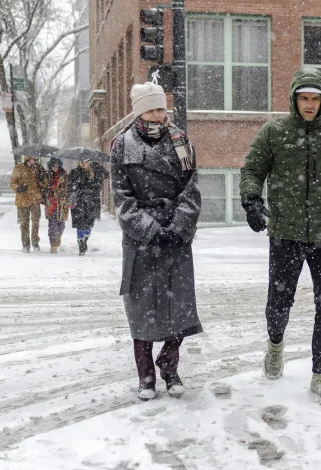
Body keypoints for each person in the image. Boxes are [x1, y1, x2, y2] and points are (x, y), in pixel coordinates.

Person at [239, 67, 321, 406]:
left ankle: (320, 375)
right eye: (304, 98)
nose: (309, 105)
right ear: (294, 98)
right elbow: (252, 169)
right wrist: (251, 200)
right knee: (279, 302)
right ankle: (276, 346)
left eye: (315, 99)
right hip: (285, 232)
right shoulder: (274, 132)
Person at [110, 82, 202, 401]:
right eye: (150, 109)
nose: (157, 114)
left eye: (161, 108)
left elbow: (192, 189)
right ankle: (146, 377)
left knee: (179, 307)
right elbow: (121, 198)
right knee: (142, 311)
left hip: (176, 235)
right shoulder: (122, 145)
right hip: (141, 240)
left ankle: (170, 366)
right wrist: (149, 229)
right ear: (138, 111)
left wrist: (177, 227)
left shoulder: (181, 141)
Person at [69, 159, 105, 255]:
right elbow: (69, 186)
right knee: (80, 224)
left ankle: (85, 240)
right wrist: (75, 193)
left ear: (89, 162)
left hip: (91, 203)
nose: (83, 163)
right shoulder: (74, 172)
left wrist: (99, 169)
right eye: (81, 161)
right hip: (78, 203)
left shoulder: (95, 173)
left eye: (85, 161)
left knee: (89, 224)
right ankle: (81, 245)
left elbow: (99, 185)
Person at [9, 155, 45, 252]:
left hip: (35, 199)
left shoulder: (39, 168)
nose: (36, 160)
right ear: (29, 158)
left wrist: (42, 179)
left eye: (37, 159)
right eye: (34, 159)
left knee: (36, 222)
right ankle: (25, 244)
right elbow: (12, 182)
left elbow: (45, 183)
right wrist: (18, 188)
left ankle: (35, 242)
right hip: (22, 199)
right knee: (24, 223)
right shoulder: (18, 168)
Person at [43, 157, 69, 254]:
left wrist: (58, 191)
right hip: (51, 203)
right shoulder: (46, 175)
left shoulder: (64, 174)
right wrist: (49, 190)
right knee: (52, 225)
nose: (55, 168)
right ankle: (53, 244)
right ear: (51, 166)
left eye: (57, 166)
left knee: (61, 225)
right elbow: (43, 187)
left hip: (62, 203)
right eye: (53, 166)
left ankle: (58, 237)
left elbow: (67, 187)